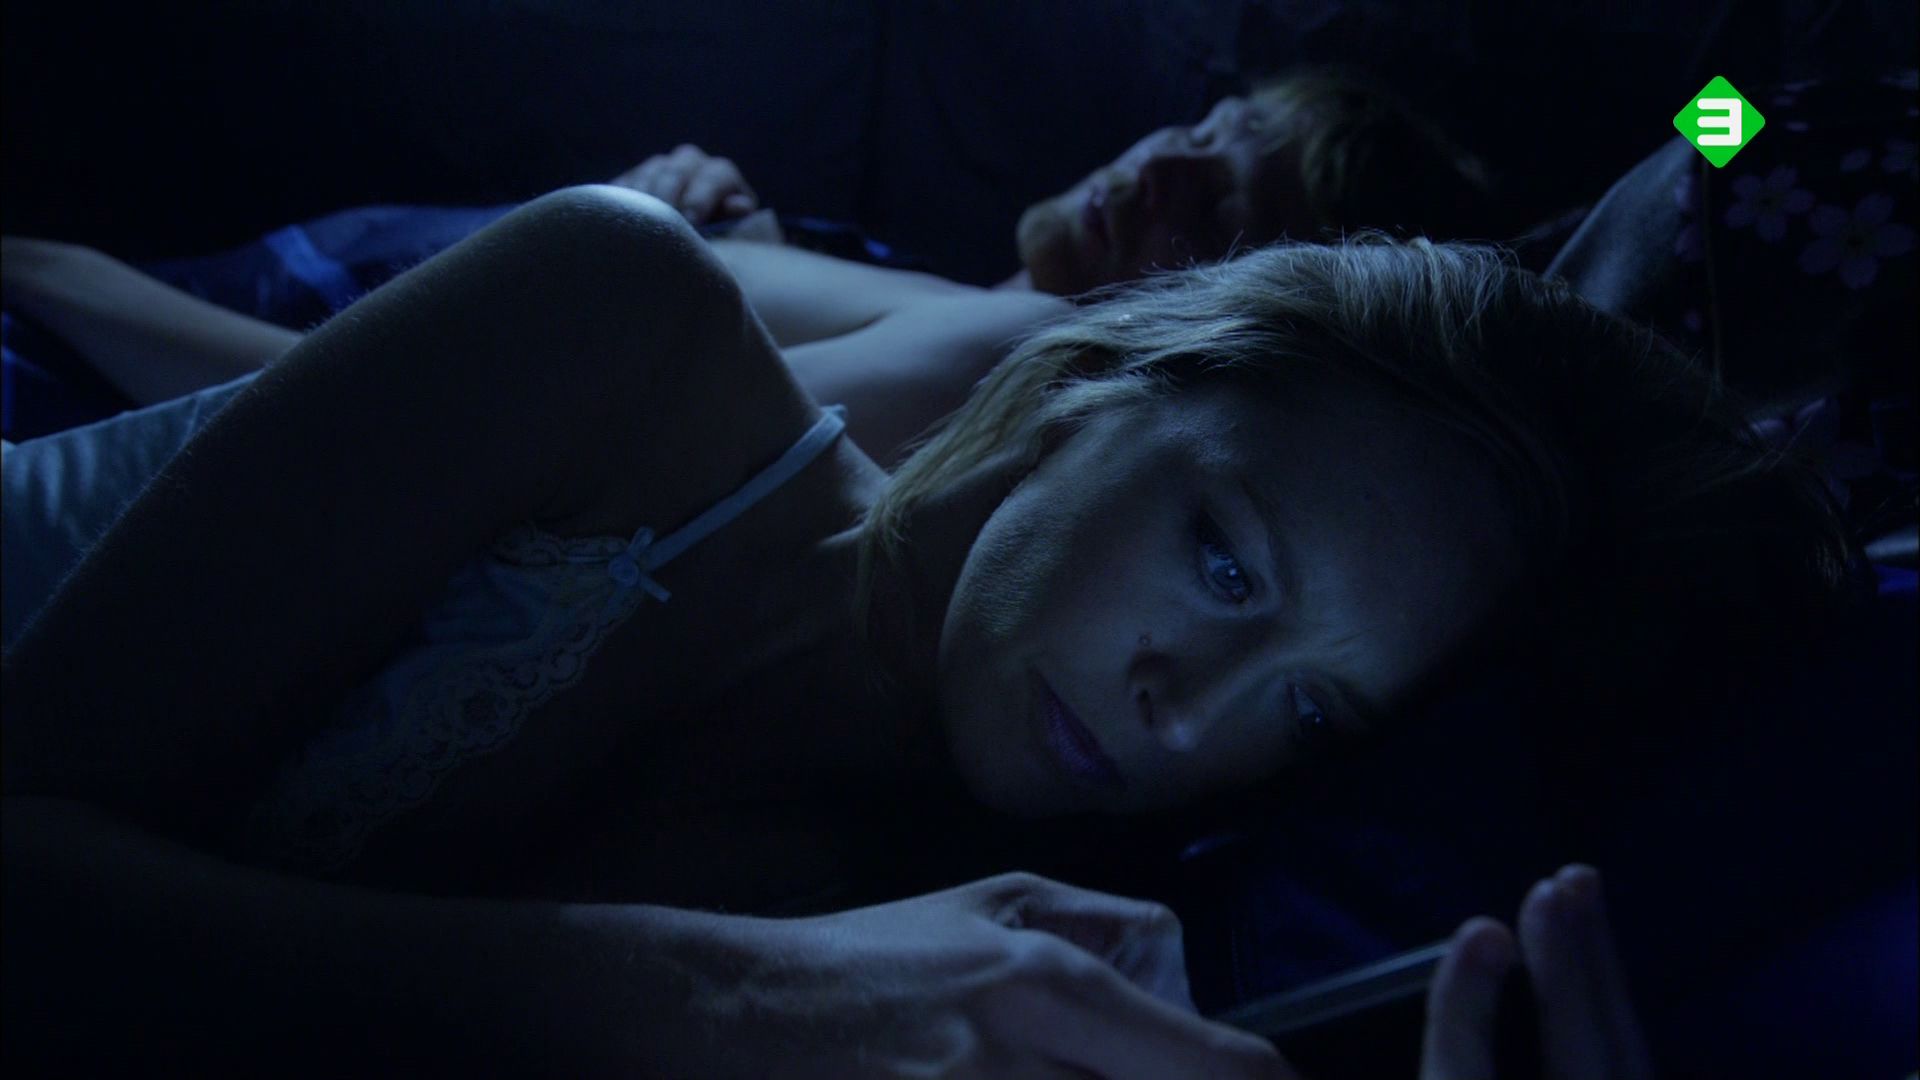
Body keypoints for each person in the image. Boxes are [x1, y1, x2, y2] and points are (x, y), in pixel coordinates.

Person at [1, 182, 1851, 1073]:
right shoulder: (620, 321)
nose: (1189, 715)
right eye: (1226, 565)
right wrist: (700, 995)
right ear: (1092, 386)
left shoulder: (962, 948)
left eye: (1308, 714)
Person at [0, 70, 1496, 464]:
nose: (1155, 163)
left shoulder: (993, 373)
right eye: (1198, 126)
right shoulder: (913, 286)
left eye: (1214, 205)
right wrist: (709, 233)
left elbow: (412, 439)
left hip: (117, 388)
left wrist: (50, 270)